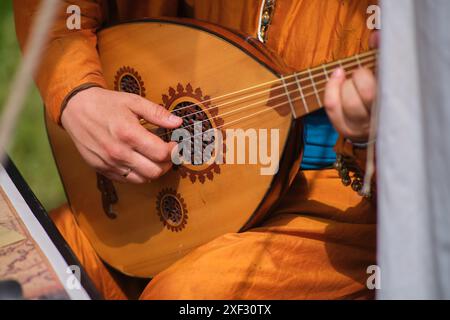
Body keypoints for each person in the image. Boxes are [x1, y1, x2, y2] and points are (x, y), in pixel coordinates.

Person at [13, 0, 378, 299]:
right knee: (26, 265)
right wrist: (78, 93)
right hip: (149, 196)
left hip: (336, 206)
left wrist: (368, 138)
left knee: (187, 297)